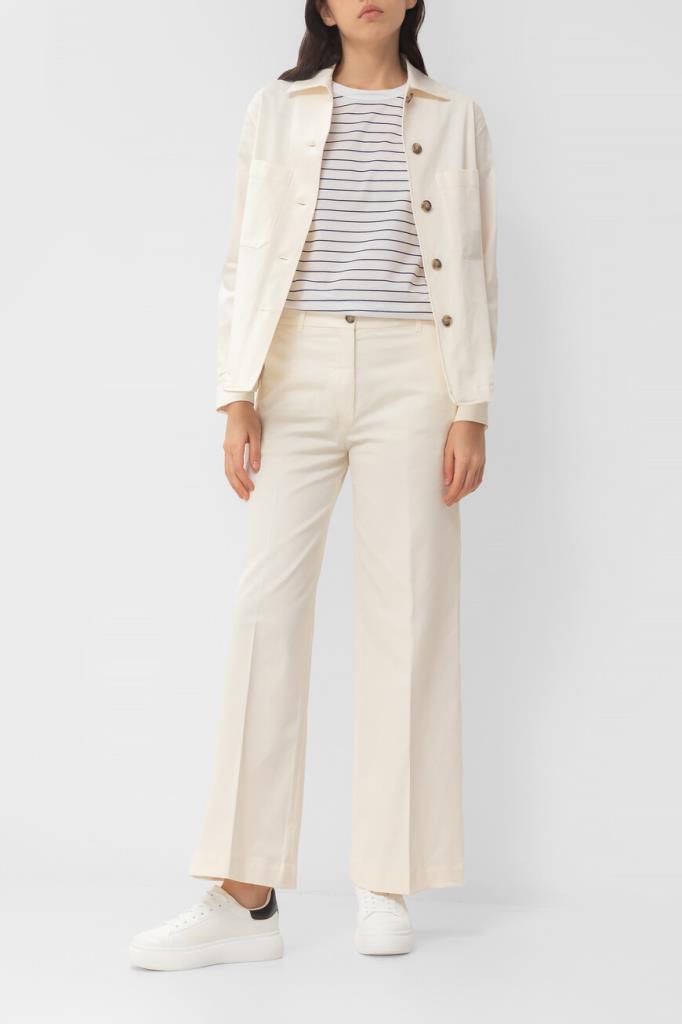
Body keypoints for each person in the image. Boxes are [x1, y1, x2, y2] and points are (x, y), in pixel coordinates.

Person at [129, 0, 498, 970]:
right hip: (293, 368)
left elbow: (476, 265)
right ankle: (245, 897)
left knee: (406, 613)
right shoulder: (276, 109)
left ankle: (387, 879)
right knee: (265, 612)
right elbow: (243, 256)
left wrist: (471, 403)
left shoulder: (455, 116)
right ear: (323, 6)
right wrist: (236, 392)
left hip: (417, 372)